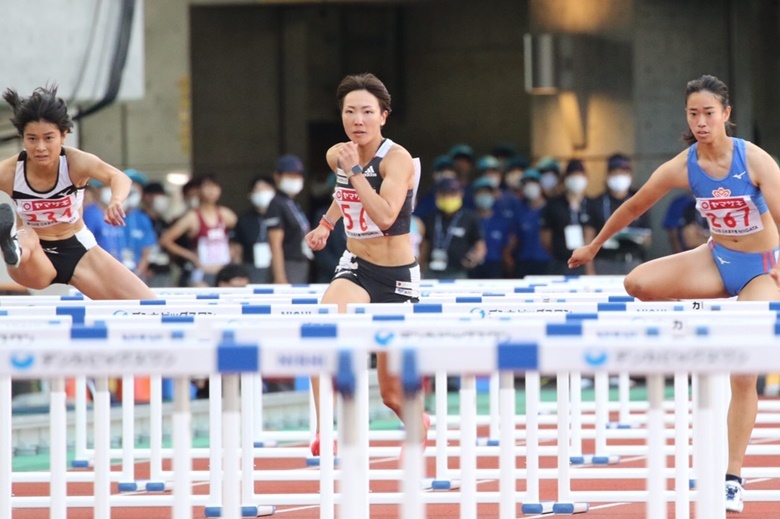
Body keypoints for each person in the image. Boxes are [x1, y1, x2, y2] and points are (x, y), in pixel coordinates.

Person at [569, 74, 780, 514]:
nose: (701, 122)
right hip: (717, 259)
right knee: (637, 284)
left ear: (726, 114)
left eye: (708, 113)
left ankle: (732, 477)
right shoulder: (683, 166)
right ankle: (698, 333)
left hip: (762, 268)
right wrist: (593, 245)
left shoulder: (756, 161)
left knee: (743, 372)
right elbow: (633, 206)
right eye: (693, 114)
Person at [304, 73, 428, 456]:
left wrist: (356, 171)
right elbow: (346, 195)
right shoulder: (337, 154)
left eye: (367, 112)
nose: (358, 120)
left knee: (391, 392)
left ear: (383, 116)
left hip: (396, 278)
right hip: (356, 265)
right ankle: (326, 429)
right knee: (323, 328)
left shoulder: (397, 159)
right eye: (350, 112)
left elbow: (386, 215)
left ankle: (418, 424)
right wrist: (327, 224)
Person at [0, 85, 156, 299]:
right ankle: (12, 247)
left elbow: (119, 177)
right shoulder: (9, 171)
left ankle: (15, 245)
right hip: (33, 258)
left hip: (78, 249)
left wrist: (116, 201)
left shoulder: (76, 162)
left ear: (64, 135)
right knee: (26, 236)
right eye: (32, 139)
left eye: (48, 138)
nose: (40, 147)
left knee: (147, 304)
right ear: (23, 137)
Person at [159, 174, 237, 287]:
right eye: (207, 187)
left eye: (215, 187)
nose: (211, 191)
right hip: (202, 272)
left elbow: (240, 237)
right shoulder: (192, 217)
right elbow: (165, 240)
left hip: (223, 271)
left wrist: (233, 250)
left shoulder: (226, 215)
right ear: (198, 191)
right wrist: (192, 257)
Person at [585, 153, 652, 275]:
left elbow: (647, 239)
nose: (619, 177)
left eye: (623, 173)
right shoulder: (597, 203)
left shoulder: (639, 200)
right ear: (607, 176)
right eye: (615, 173)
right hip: (605, 262)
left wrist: (637, 238)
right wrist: (589, 270)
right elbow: (588, 238)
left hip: (632, 261)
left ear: (630, 176)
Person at [420, 177, 485, 279]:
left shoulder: (469, 218)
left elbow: (480, 244)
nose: (448, 197)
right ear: (437, 195)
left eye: (452, 194)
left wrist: (475, 258)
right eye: (444, 194)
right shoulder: (431, 217)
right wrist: (420, 265)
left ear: (461, 194)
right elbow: (425, 243)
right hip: (432, 271)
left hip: (457, 271)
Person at [540, 159, 593, 275]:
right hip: (560, 261)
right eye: (572, 175)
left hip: (585, 262)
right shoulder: (554, 204)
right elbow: (545, 237)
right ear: (565, 179)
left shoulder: (591, 204)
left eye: (579, 175)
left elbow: (593, 233)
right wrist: (558, 251)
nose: (576, 179)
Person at [266, 155, 313, 284]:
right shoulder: (276, 203)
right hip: (287, 264)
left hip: (300, 262)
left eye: (298, 175)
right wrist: (280, 277)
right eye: (290, 175)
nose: (295, 179)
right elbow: (275, 243)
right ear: (277, 176)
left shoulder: (292, 204)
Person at [232, 174, 276, 283]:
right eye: (257, 189)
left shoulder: (282, 216)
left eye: (265, 188)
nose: (261, 192)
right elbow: (237, 248)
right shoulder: (244, 219)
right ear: (251, 194)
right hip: (251, 267)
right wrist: (238, 273)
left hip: (279, 265)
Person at [469, 177, 514, 279]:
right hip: (472, 265)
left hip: (495, 265)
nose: (484, 196)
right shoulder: (468, 219)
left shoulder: (501, 220)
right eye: (480, 193)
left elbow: (507, 244)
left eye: (487, 193)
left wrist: (507, 259)